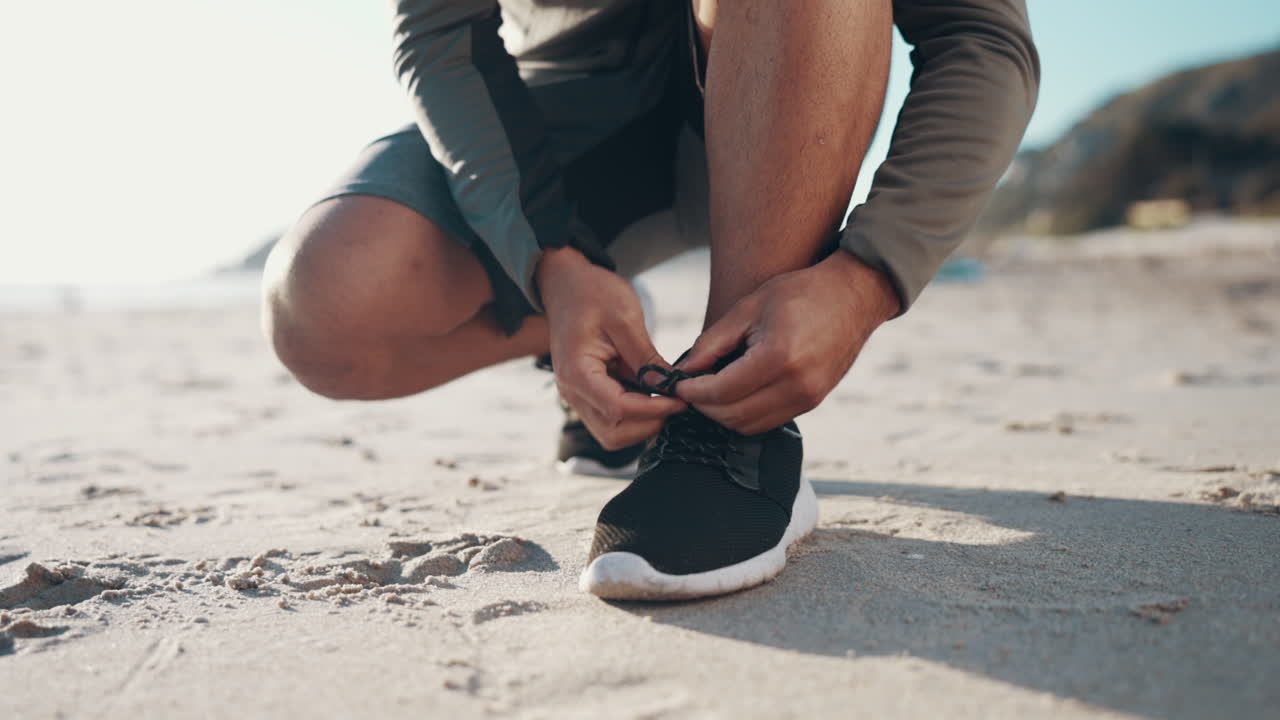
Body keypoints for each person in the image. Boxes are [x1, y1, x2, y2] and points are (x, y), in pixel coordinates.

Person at [262, 0, 1039, 600]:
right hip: (568, 131)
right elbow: (439, 32)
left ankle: (733, 431)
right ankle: (599, 323)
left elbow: (982, 38)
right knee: (325, 302)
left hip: (796, 87)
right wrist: (551, 261)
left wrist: (866, 279)